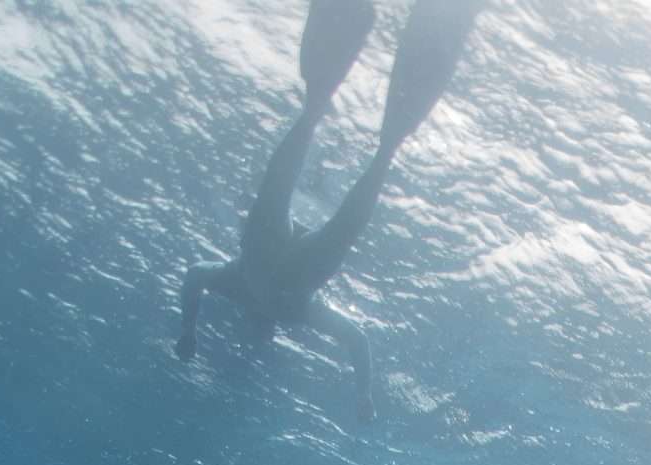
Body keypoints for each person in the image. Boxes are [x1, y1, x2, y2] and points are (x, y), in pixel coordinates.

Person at [175, 0, 482, 422]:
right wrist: (363, 394)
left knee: (314, 206)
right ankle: (361, 127)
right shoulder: (290, 313)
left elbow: (195, 275)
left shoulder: (246, 291)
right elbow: (355, 340)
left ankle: (346, 118)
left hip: (269, 268)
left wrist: (188, 330)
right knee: (324, 210)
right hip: (286, 277)